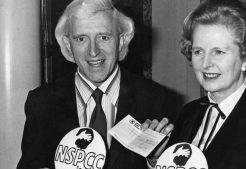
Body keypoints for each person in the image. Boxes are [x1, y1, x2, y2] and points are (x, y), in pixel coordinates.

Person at [17, 0, 175, 168]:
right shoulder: (43, 103)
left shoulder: (156, 99)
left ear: (121, 40)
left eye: (104, 37)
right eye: (81, 39)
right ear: (68, 45)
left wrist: (155, 160)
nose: (93, 51)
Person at [145, 1, 246, 169]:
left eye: (218, 52)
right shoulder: (189, 112)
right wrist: (158, 158)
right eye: (198, 51)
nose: (205, 64)